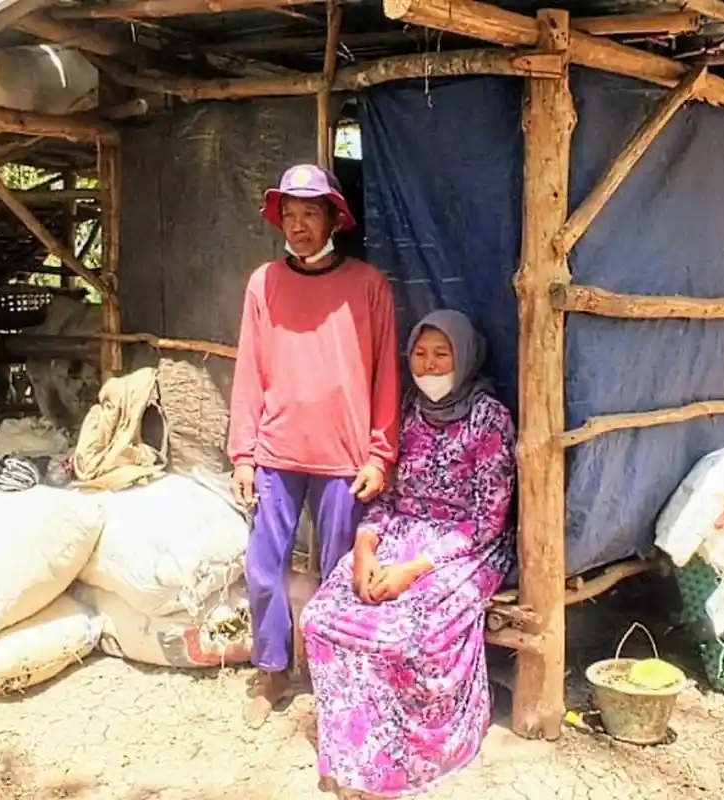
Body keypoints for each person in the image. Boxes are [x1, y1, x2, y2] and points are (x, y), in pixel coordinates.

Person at [301, 309, 517, 798]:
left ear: (464, 358)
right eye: (420, 354)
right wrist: (364, 544)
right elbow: (387, 498)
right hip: (401, 533)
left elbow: (487, 523)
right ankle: (353, 755)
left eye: (442, 354)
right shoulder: (407, 412)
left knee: (403, 635)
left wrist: (413, 571)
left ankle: (406, 762)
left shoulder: (490, 420)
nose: (430, 365)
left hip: (464, 548)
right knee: (322, 617)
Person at [229, 164, 401, 729]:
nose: (299, 225)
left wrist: (381, 453)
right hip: (276, 454)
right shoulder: (264, 284)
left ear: (334, 218)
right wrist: (244, 454)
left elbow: (384, 378)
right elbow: (249, 372)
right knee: (262, 569)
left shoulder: (367, 286)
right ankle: (274, 669)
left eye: (311, 213)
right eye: (290, 214)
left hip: (344, 458)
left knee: (338, 575)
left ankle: (334, 679)